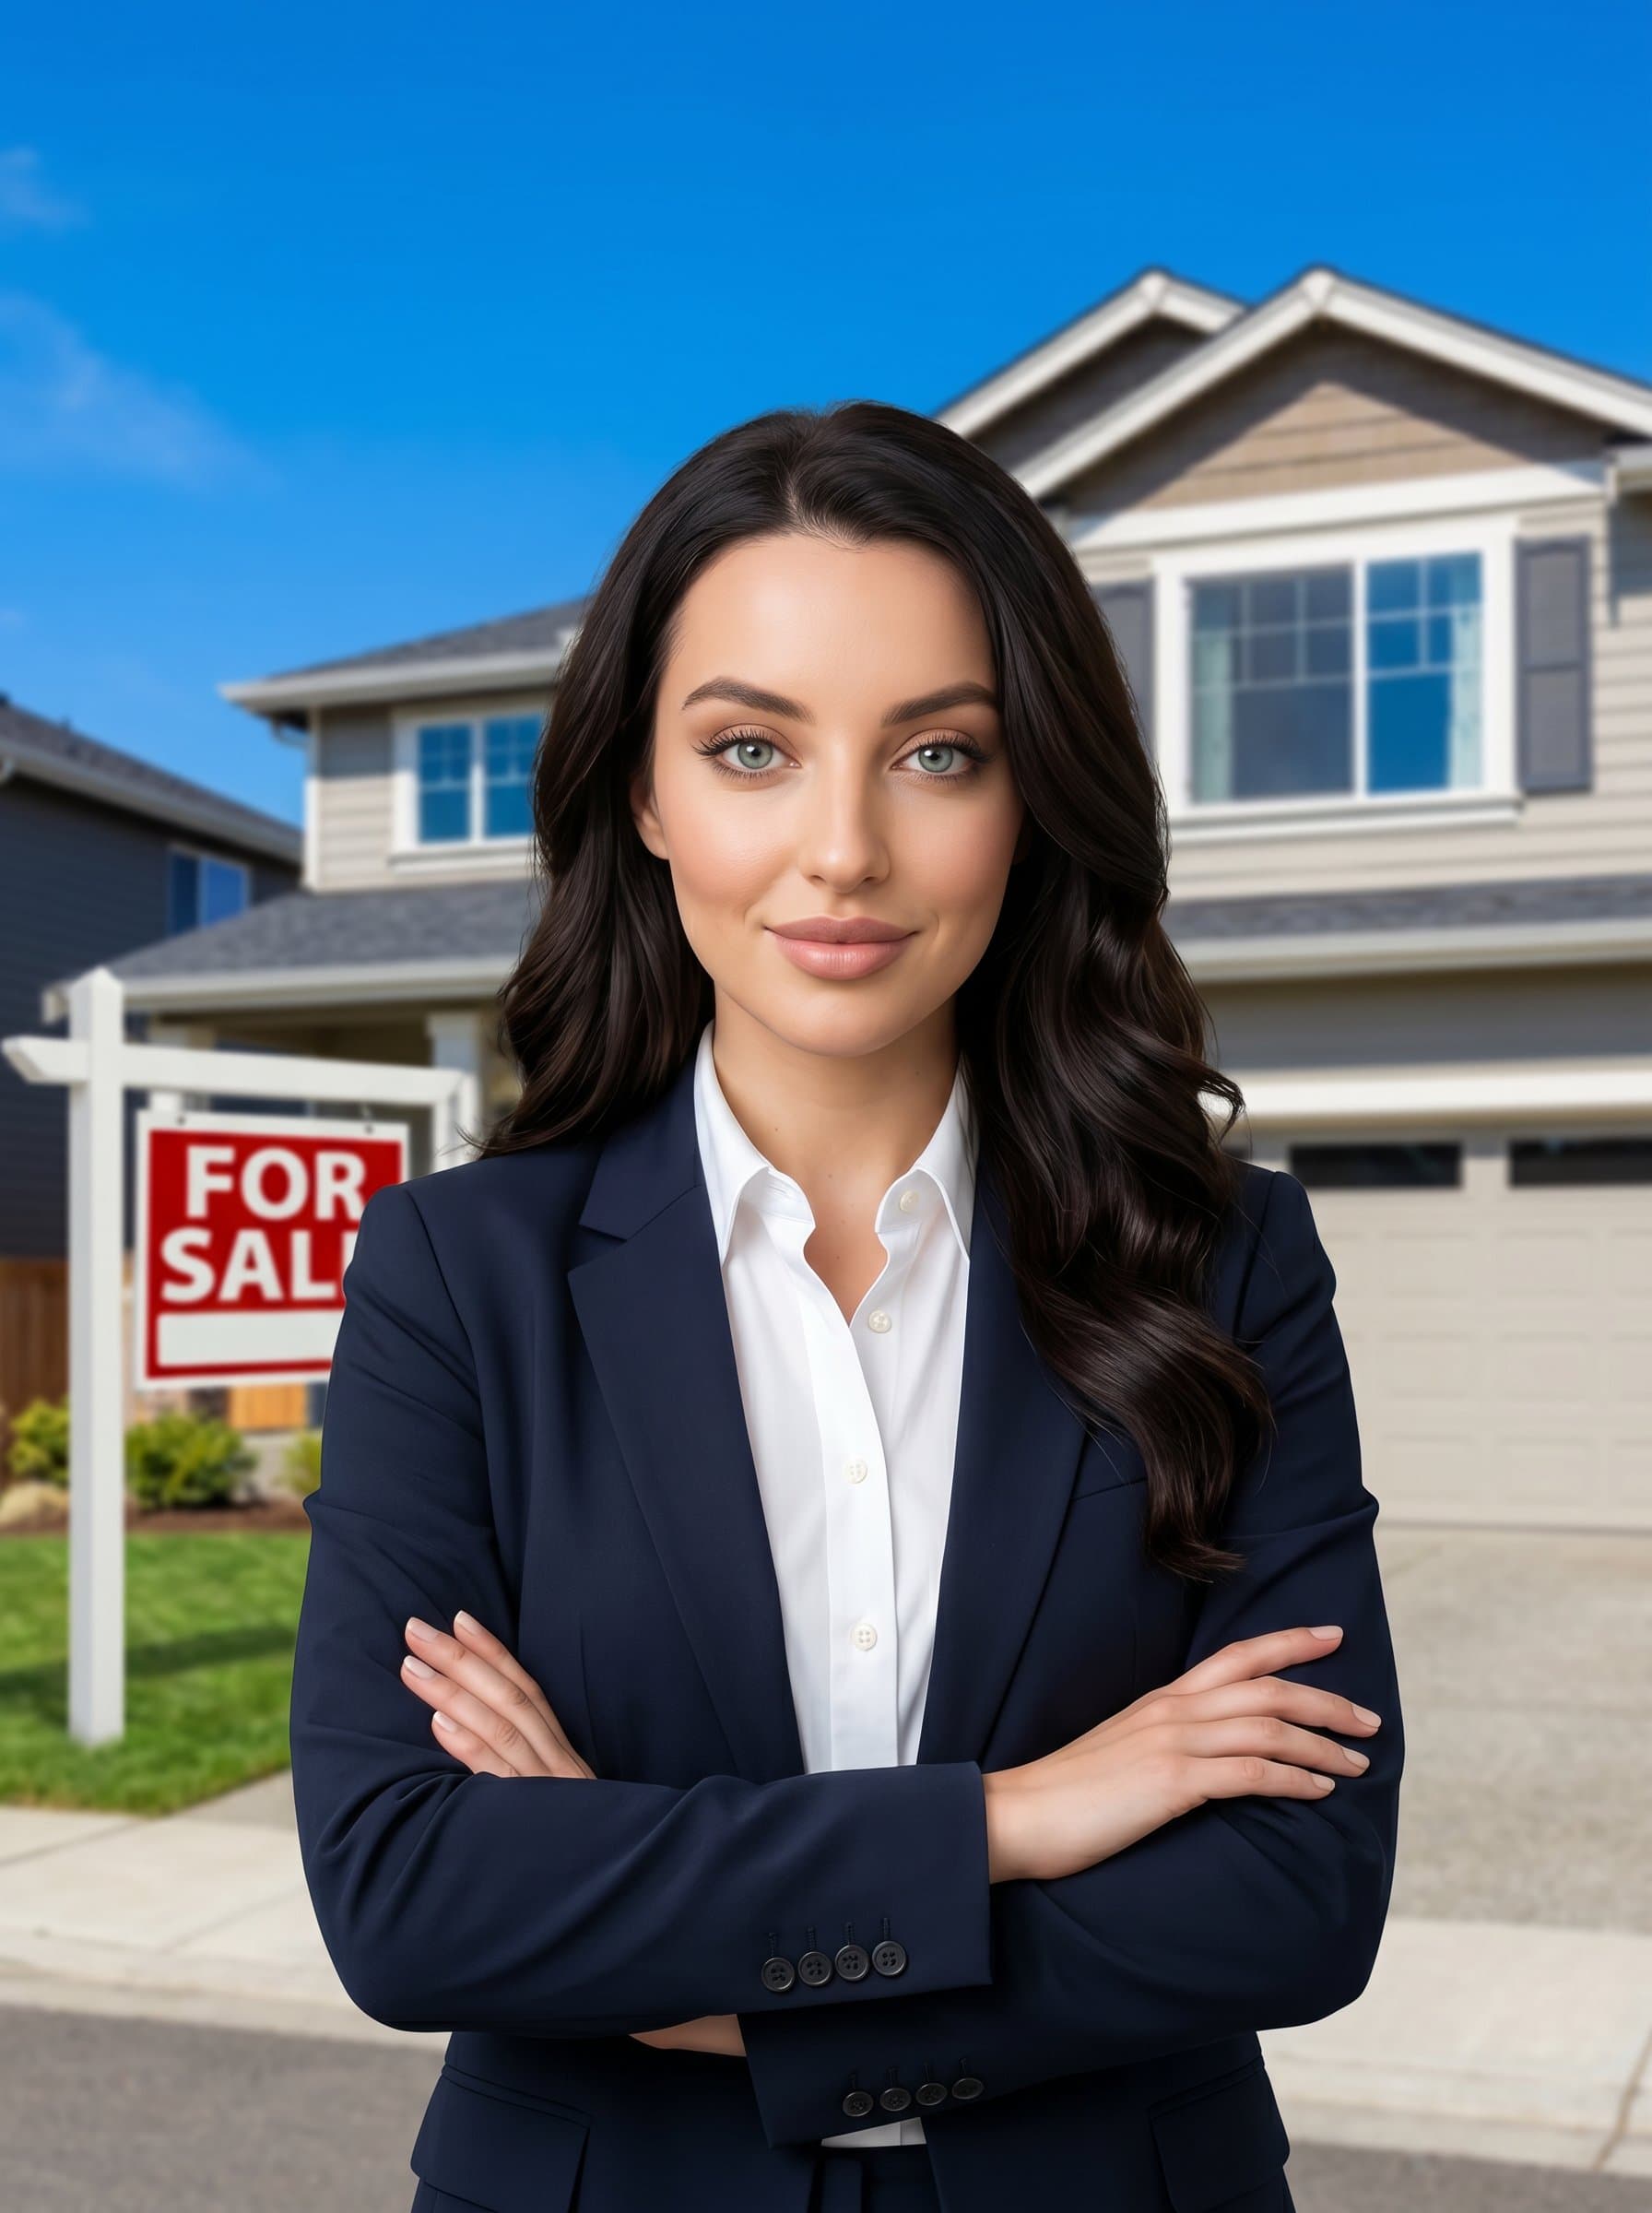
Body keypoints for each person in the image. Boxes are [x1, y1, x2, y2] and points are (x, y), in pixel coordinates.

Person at [289, 400, 1403, 2213]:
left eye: (937, 757)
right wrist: (1013, 1818)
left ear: (1031, 793)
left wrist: (704, 1976)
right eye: (750, 748)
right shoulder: (455, 1280)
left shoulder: (1222, 1266)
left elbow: (1290, 1898)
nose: (842, 851)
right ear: (642, 791)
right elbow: (413, 1899)